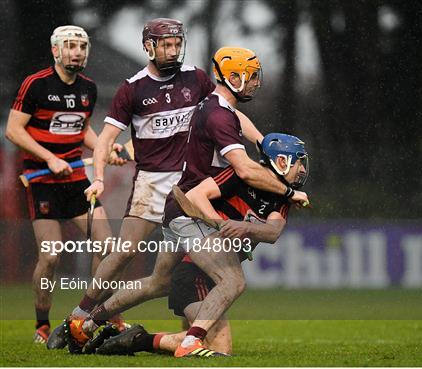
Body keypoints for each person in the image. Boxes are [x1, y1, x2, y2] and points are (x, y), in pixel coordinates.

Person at [63, 47, 309, 352]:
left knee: (158, 282)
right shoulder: (219, 115)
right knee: (232, 281)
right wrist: (288, 191)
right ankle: (189, 342)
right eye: (251, 77)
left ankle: (87, 323)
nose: (256, 83)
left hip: (182, 205)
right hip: (192, 209)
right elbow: (245, 170)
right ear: (233, 77)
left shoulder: (219, 108)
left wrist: (264, 143)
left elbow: (243, 134)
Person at [90, 132, 309, 357]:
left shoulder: (282, 197)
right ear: (282, 161)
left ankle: (136, 338)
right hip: (193, 276)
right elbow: (196, 196)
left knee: (162, 289)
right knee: (220, 337)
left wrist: (246, 228)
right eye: (299, 162)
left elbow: (273, 232)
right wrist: (217, 222)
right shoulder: (240, 175)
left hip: (212, 279)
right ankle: (117, 328)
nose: (302, 169)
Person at [4, 25, 124, 343]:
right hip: (42, 180)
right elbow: (14, 130)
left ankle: (99, 313)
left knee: (108, 247)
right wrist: (49, 158)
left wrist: (103, 149)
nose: (77, 52)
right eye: (70, 46)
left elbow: (82, 129)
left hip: (76, 181)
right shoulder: (36, 84)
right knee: (52, 256)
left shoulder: (88, 88)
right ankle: (42, 324)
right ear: (56, 50)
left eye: (82, 47)